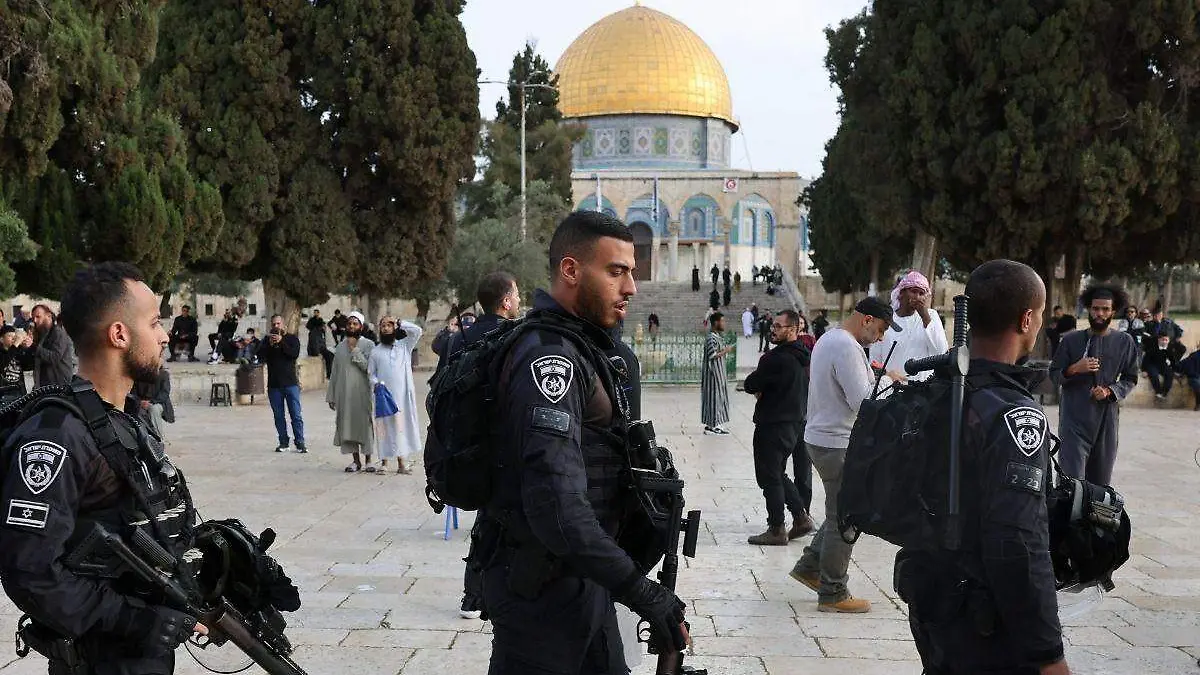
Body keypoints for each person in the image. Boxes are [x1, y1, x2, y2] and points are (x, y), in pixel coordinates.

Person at [475, 211, 687, 674]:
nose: (631, 287)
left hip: (582, 578)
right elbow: (557, 507)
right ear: (571, 270)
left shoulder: (583, 348)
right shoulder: (549, 359)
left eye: (631, 272)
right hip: (542, 597)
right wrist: (641, 591)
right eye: (616, 272)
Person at [0, 262, 206, 673]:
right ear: (119, 334)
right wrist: (133, 620)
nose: (165, 335)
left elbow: (144, 523)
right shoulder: (58, 435)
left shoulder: (123, 418)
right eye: (155, 322)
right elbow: (30, 571)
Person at [895, 259, 1069, 675]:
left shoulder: (938, 392)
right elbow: (1017, 543)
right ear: (1026, 320)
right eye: (1040, 314)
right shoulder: (1014, 414)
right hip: (983, 620)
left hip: (933, 601)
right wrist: (1048, 654)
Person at [790, 296, 903, 613]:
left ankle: (811, 567)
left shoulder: (832, 339)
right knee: (846, 519)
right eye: (881, 329)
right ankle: (833, 592)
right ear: (867, 320)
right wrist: (890, 382)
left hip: (823, 438)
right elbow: (862, 402)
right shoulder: (846, 346)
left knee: (841, 510)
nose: (880, 338)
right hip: (836, 443)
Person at [453, 271, 522, 620]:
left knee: (487, 518)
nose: (520, 300)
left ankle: (475, 594)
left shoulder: (460, 337)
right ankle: (480, 594)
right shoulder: (513, 337)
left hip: (462, 444)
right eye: (517, 294)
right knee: (494, 521)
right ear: (506, 302)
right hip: (500, 445)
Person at [1049, 284, 1139, 486]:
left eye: (1105, 309)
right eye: (1096, 308)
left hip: (1106, 421)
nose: (1100, 314)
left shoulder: (1124, 341)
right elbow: (1054, 374)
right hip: (1074, 419)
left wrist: (1110, 391)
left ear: (1113, 312)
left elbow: (1131, 378)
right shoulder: (1071, 340)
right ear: (1089, 309)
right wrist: (1074, 368)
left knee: (1100, 484)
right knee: (1071, 483)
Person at [743, 309, 816, 545]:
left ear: (793, 330)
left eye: (778, 326)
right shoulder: (804, 356)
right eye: (772, 325)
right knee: (777, 473)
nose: (772, 330)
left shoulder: (774, 359)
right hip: (794, 425)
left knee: (769, 477)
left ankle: (776, 528)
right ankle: (801, 517)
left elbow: (750, 384)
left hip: (773, 424)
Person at [367, 315, 423, 475]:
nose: (386, 328)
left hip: (401, 398)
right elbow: (371, 373)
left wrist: (400, 322)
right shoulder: (375, 352)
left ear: (394, 328)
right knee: (383, 429)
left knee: (400, 429)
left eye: (389, 325)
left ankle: (401, 463)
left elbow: (417, 331)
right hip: (383, 397)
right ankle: (384, 462)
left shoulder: (404, 346)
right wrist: (377, 383)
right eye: (383, 325)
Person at [870, 271, 949, 379]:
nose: (917, 297)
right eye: (914, 291)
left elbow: (941, 351)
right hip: (891, 385)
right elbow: (874, 361)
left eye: (921, 293)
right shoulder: (886, 319)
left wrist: (925, 317)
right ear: (901, 293)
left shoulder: (931, 316)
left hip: (922, 387)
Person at [327, 311, 375, 472]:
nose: (352, 326)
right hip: (344, 395)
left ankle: (369, 460)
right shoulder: (340, 347)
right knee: (347, 426)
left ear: (361, 326)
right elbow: (334, 373)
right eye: (349, 324)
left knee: (365, 426)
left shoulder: (368, 345)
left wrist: (355, 350)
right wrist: (331, 396)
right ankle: (356, 461)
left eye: (355, 324)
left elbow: (369, 369)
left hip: (362, 394)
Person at [256, 315, 306, 453]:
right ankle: (283, 442)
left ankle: (300, 442)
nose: (276, 326)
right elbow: (260, 357)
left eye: (278, 323)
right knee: (279, 416)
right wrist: (269, 345)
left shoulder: (291, 339)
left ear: (283, 325)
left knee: (296, 415)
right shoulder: (266, 341)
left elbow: (293, 354)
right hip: (274, 385)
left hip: (290, 384)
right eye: (274, 324)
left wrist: (281, 341)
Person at [701, 312, 733, 435]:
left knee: (719, 399)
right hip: (713, 376)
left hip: (718, 375)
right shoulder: (711, 338)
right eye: (722, 321)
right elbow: (712, 355)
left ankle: (714, 424)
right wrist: (726, 351)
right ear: (716, 323)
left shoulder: (717, 337)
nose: (724, 324)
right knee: (714, 400)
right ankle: (713, 426)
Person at [29, 304, 76, 387]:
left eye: (38, 317)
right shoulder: (41, 333)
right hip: (45, 384)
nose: (35, 321)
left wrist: (33, 346)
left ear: (49, 316)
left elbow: (54, 357)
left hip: (58, 384)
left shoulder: (58, 333)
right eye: (33, 318)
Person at [130, 366, 175, 441]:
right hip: (141, 402)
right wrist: (139, 402)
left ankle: (158, 438)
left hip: (158, 402)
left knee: (154, 409)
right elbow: (133, 392)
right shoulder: (139, 375)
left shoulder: (163, 374)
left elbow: (164, 393)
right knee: (135, 410)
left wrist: (151, 402)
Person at [1142, 334, 1185, 400]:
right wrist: (1144, 370)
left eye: (1166, 340)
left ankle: (1164, 393)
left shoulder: (1169, 348)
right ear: (1159, 340)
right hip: (1152, 364)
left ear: (1168, 341)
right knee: (1153, 374)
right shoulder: (1152, 347)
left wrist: (1175, 370)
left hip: (1163, 365)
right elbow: (1146, 359)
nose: (1164, 342)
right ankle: (1158, 392)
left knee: (1169, 374)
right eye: (1163, 340)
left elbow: (1172, 360)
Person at [0, 325, 34, 404]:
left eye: (14, 336)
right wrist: (15, 344)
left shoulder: (18, 351)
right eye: (9, 336)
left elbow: (29, 366)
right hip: (3, 393)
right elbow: (3, 364)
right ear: (1, 339)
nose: (13, 338)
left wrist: (28, 348)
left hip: (18, 391)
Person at [1178, 342, 1200, 411]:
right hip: (1194, 377)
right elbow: (1186, 366)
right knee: (1198, 386)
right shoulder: (1194, 355)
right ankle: (1198, 404)